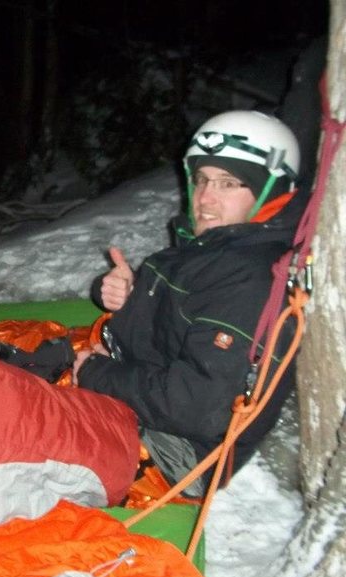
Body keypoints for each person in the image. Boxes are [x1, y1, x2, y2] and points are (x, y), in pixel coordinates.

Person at [72, 110, 302, 496]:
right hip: (132, 391)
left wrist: (96, 375)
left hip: (173, 453)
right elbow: (171, 326)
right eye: (202, 180)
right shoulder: (214, 248)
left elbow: (198, 407)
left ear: (270, 192)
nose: (205, 198)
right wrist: (122, 296)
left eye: (229, 183)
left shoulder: (251, 279)